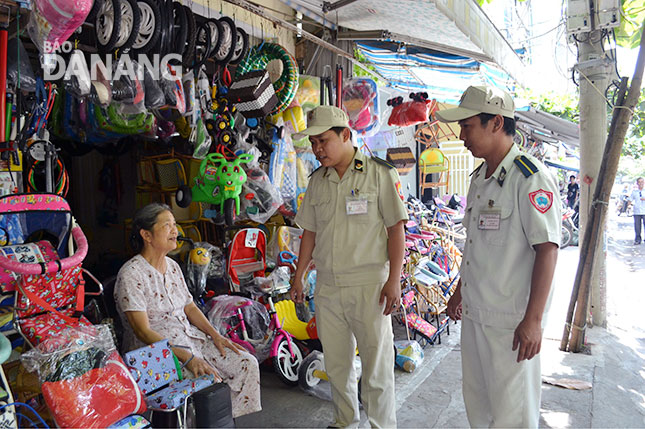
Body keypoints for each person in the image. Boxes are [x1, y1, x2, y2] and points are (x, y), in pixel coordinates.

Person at [437, 85, 560, 428]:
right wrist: (460, 291)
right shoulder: (480, 178)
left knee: (513, 414)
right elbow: (475, 243)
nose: (462, 135)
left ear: (495, 123)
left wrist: (533, 320)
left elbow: (547, 249)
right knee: (478, 405)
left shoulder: (529, 177)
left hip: (511, 322)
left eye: (468, 125)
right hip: (477, 314)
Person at [290, 105, 407, 428]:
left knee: (376, 364)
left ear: (346, 135)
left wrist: (394, 280)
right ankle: (345, 421)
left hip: (370, 283)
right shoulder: (318, 181)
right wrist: (299, 277)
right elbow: (309, 233)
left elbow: (397, 228)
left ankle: (381, 425)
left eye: (323, 141)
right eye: (313, 142)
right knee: (338, 364)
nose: (317, 149)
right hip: (327, 285)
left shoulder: (379, 173)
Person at [114, 203, 261, 418]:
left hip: (191, 339)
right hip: (157, 356)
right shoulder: (131, 273)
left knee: (246, 363)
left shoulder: (172, 266)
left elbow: (189, 306)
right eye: (167, 226)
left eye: (175, 225)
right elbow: (142, 331)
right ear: (146, 234)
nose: (176, 231)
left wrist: (215, 335)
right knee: (209, 380)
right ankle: (206, 419)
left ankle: (220, 420)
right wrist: (188, 359)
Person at [629, 177, 645, 244]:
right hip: (637, 211)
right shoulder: (634, 192)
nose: (641, 183)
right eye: (639, 182)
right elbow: (630, 200)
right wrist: (629, 206)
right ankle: (638, 239)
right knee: (637, 227)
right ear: (637, 183)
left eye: (642, 182)